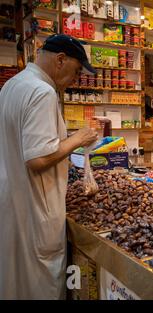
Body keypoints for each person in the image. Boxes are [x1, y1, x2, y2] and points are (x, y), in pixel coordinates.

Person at [0, 34, 98, 299]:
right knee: (39, 287)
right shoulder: (43, 92)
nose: (76, 80)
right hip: (35, 211)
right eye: (77, 71)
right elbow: (37, 159)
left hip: (13, 204)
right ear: (60, 60)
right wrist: (78, 139)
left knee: (15, 283)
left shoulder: (12, 85)